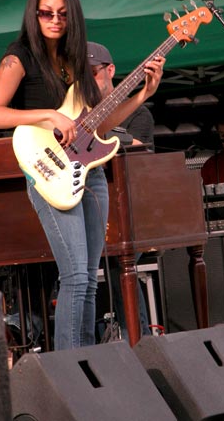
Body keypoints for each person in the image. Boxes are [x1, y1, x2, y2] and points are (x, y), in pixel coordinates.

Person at [0, 0, 165, 350]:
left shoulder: (77, 59)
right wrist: (49, 115)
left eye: (62, 15)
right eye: (46, 13)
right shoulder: (19, 57)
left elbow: (99, 124)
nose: (54, 20)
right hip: (49, 171)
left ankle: (86, 363)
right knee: (76, 276)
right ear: (34, 15)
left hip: (90, 173)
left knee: (89, 277)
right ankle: (69, 368)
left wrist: (144, 93)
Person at [87, 41, 154, 340]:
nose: (86, 81)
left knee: (119, 264)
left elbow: (139, 155)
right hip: (88, 206)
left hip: (130, 213)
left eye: (92, 72)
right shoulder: (75, 115)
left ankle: (136, 340)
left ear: (110, 70)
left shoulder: (137, 115)